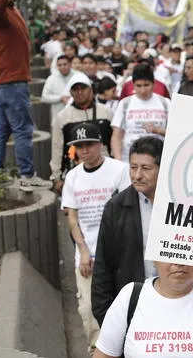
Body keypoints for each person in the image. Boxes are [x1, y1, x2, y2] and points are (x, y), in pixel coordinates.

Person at [61, 123, 131, 352]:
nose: (84, 150)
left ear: (100, 143)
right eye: (79, 146)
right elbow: (72, 218)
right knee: (90, 308)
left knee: (122, 304)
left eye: (89, 144)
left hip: (118, 253)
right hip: (87, 256)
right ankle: (97, 350)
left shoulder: (120, 170)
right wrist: (82, 251)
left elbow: (128, 212)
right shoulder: (72, 177)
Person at [92, 137, 164, 326]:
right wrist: (106, 319)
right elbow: (103, 267)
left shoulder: (181, 206)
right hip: (133, 312)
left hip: (176, 307)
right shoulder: (116, 207)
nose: (137, 175)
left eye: (146, 169)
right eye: (133, 167)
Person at [0, 0, 50, 187]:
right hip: (11, 83)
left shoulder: (10, 9)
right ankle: (27, 176)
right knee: (23, 130)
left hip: (6, 82)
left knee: (4, 130)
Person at [49, 73, 113, 192]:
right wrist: (56, 177)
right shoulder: (63, 117)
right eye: (75, 89)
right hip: (75, 172)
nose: (79, 92)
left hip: (106, 170)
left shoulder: (106, 113)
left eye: (83, 88)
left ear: (91, 89)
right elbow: (57, 146)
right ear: (71, 92)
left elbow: (113, 142)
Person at [111, 64, 170, 162]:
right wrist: (118, 160)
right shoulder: (125, 103)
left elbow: (174, 133)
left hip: (158, 159)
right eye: (138, 86)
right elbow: (116, 135)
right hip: (130, 160)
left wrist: (158, 130)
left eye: (146, 85)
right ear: (133, 84)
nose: (143, 90)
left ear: (154, 83)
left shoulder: (165, 103)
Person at [42, 55, 75, 120]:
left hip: (75, 116)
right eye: (60, 65)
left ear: (70, 64)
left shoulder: (77, 76)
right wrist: (60, 98)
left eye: (65, 64)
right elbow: (44, 97)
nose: (62, 67)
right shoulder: (51, 79)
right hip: (58, 118)